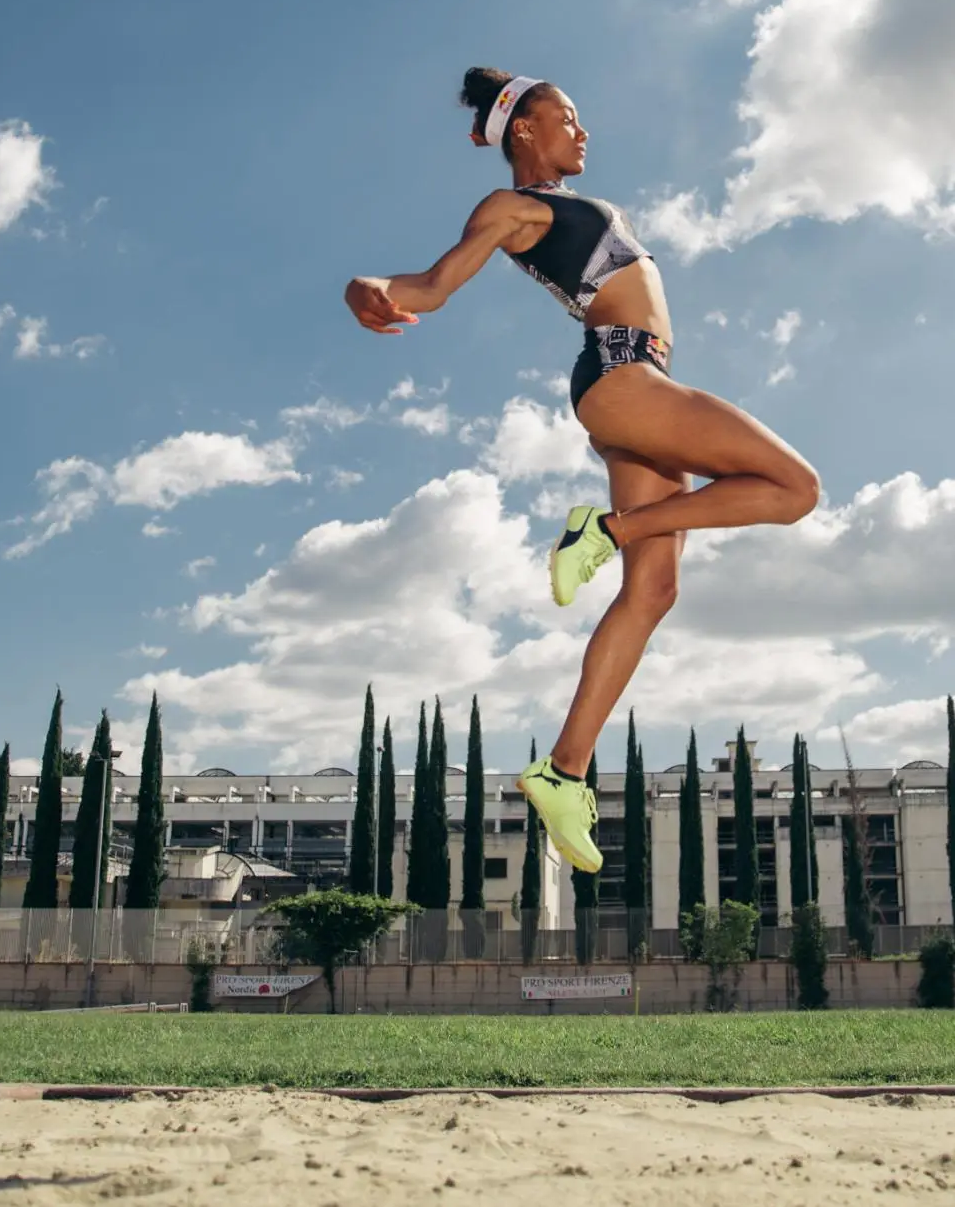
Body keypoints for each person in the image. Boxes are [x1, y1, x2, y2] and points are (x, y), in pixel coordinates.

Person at [342, 68, 819, 873]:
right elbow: (432, 284)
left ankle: (562, 771)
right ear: (522, 129)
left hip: (637, 390)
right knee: (794, 489)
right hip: (623, 378)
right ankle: (607, 530)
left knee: (654, 591)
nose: (582, 130)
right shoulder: (512, 208)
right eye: (567, 116)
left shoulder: (558, 204)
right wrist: (369, 286)